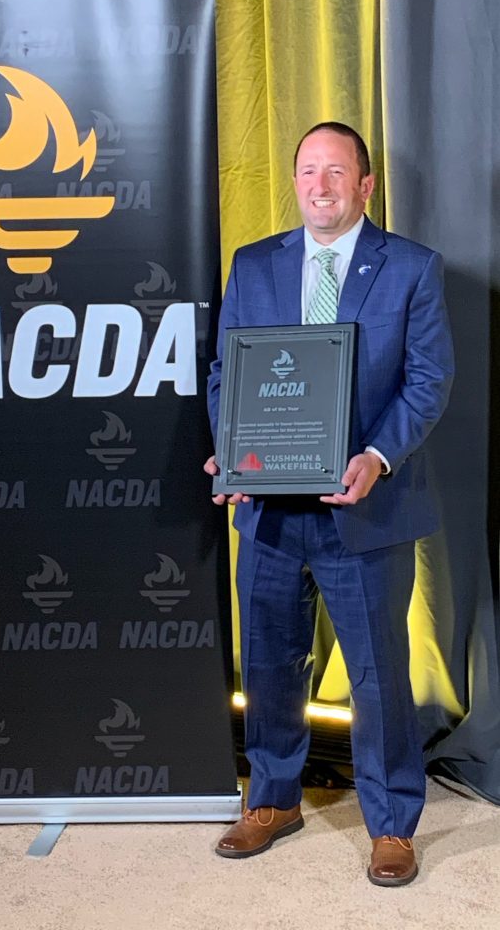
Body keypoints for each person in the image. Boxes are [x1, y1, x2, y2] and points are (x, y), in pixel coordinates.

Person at [205, 122, 454, 886]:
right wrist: (233, 444)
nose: (319, 186)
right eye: (307, 171)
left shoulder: (410, 268)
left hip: (366, 507)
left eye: (335, 172)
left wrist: (375, 457)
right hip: (270, 511)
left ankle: (390, 824)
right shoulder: (253, 266)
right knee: (271, 661)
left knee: (377, 673)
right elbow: (227, 371)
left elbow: (427, 380)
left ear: (365, 184)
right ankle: (272, 799)